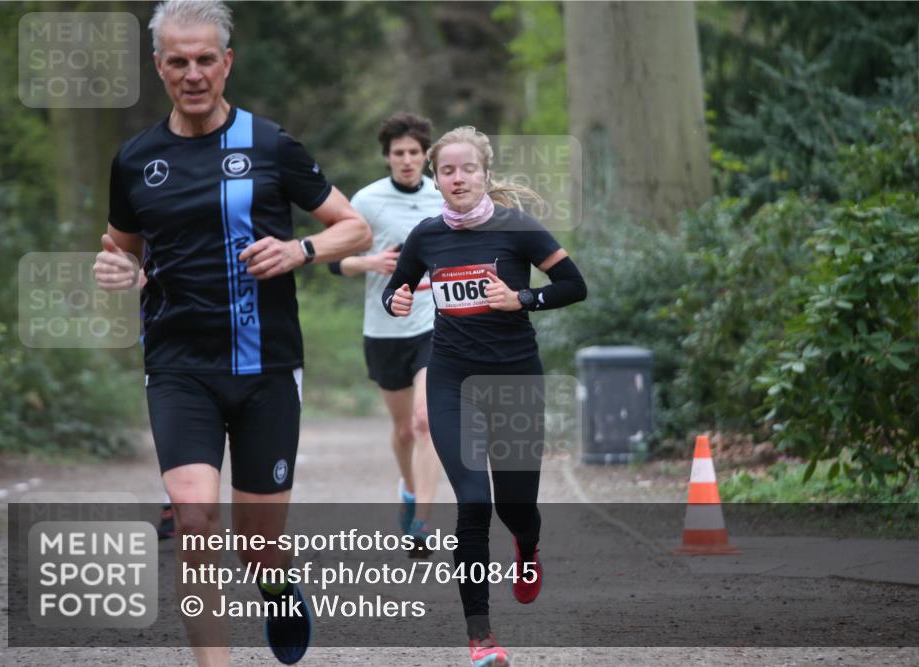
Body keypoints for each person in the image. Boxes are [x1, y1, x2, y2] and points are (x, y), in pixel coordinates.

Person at [92, 2, 371, 665]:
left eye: (205, 60)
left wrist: (300, 250)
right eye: (178, 61)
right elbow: (121, 245)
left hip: (266, 366)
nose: (193, 74)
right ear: (159, 67)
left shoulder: (271, 144)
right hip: (179, 364)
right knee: (193, 520)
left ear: (227, 63)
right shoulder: (135, 160)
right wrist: (118, 267)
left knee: (257, 544)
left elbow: (354, 226)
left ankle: (275, 583)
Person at [383, 127, 587, 667]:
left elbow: (573, 285)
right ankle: (481, 638)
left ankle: (526, 545)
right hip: (452, 381)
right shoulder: (426, 236)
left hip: (516, 380)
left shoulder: (518, 228)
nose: (457, 178)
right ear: (436, 179)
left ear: (485, 175)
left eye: (467, 169)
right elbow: (396, 287)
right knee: (473, 502)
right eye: (446, 171)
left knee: (514, 505)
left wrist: (521, 297)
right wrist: (396, 300)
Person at [328, 112, 443, 553]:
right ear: (387, 157)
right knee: (403, 430)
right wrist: (370, 263)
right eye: (399, 153)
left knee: (425, 421)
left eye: (415, 152)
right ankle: (410, 490)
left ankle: (423, 521)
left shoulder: (442, 197)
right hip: (384, 328)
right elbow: (337, 261)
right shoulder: (368, 201)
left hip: (435, 324)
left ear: (425, 156)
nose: (408, 160)